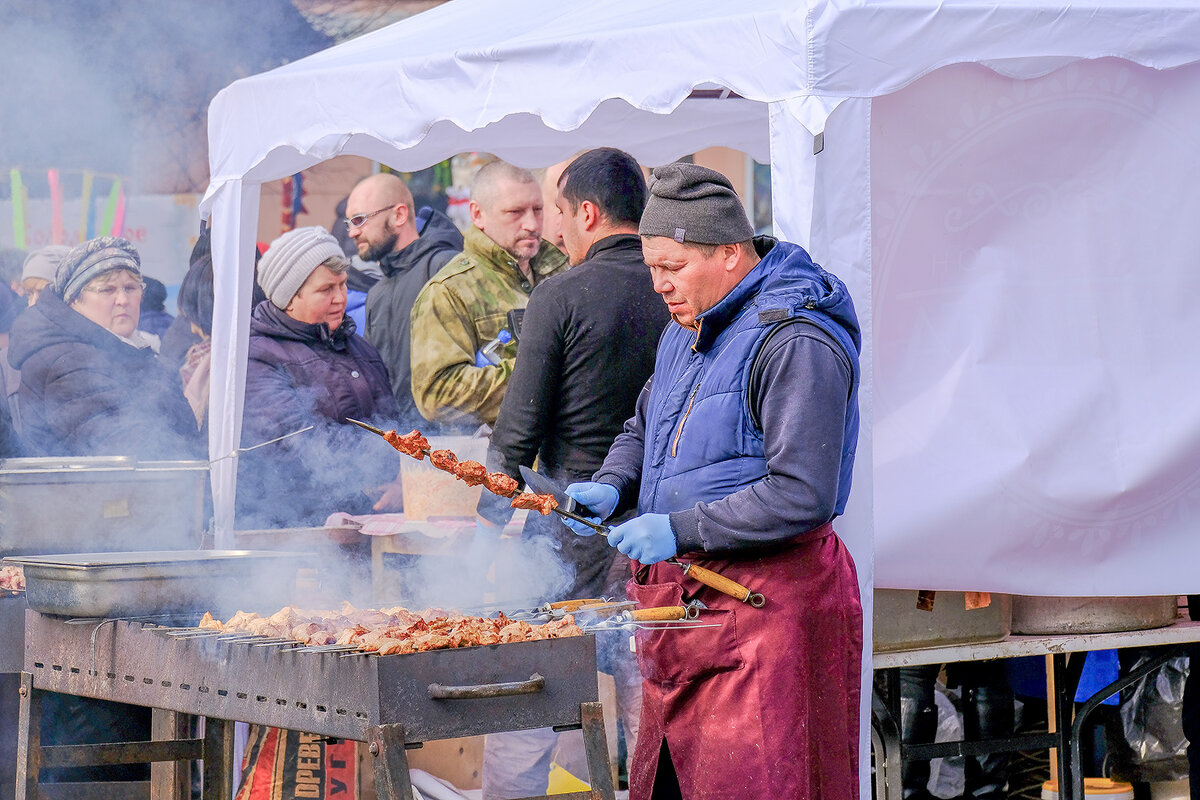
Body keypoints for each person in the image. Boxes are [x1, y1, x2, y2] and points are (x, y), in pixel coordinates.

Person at [563, 163, 863, 800]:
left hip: (769, 616)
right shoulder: (684, 327)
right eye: (652, 268)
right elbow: (645, 422)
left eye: (672, 266)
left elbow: (802, 493)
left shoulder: (795, 339)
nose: (659, 285)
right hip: (690, 615)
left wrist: (678, 527)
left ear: (730, 253)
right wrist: (615, 482)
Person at [473, 148, 668, 799]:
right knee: (651, 699)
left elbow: (513, 441)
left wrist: (481, 541)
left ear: (587, 211)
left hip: (568, 536)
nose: (556, 231)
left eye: (559, 212)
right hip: (661, 534)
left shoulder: (559, 294)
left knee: (533, 703)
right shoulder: (678, 286)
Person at [237, 225, 403, 529]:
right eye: (326, 289)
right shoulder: (258, 356)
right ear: (289, 298)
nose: (340, 297)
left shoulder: (359, 347)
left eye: (342, 285)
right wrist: (371, 483)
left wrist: (402, 478)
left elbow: (391, 423)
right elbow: (296, 448)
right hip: (301, 529)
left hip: (368, 522)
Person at [6, 236, 202, 459]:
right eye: (107, 290)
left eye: (130, 288)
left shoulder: (134, 351)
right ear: (75, 300)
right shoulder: (66, 361)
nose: (122, 300)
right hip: (89, 493)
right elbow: (124, 444)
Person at [409, 158, 568, 428]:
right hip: (503, 464)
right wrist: (543, 376)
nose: (531, 223)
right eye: (515, 212)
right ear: (477, 214)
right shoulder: (450, 291)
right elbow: (437, 394)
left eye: (538, 209)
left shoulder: (563, 273)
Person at [346, 172, 463, 423]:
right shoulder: (377, 293)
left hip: (449, 447)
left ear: (399, 215)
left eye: (359, 220)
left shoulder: (446, 268)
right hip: (400, 445)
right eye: (350, 223)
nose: (352, 233)